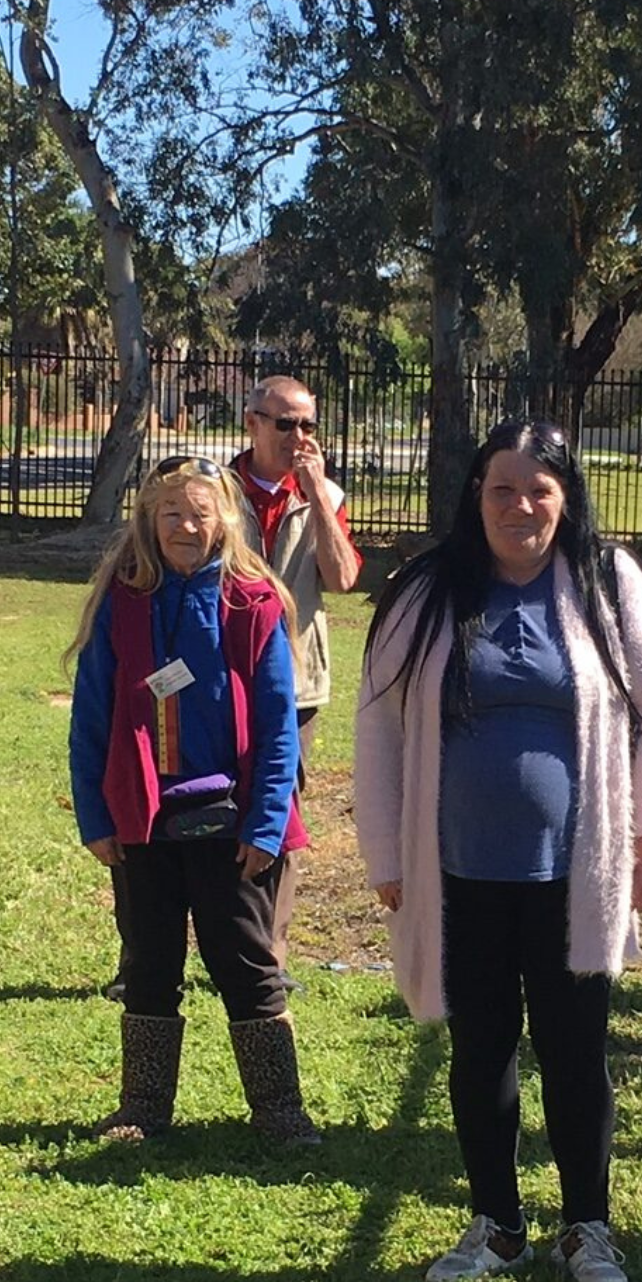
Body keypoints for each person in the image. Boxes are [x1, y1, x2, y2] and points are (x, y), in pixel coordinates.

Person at [355, 419, 642, 1282]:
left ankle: (587, 1229)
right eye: (502, 489)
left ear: (565, 499)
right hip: (456, 872)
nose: (521, 507)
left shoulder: (607, 580)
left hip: (577, 873)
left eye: (540, 490)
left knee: (576, 1050)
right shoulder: (428, 588)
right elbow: (379, 723)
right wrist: (386, 852)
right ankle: (498, 1226)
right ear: (477, 495)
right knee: (481, 1049)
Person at [68, 454, 318, 1144]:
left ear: (225, 521)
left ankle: (279, 1110)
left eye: (199, 513)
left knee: (247, 965)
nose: (184, 525)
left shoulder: (254, 603)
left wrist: (266, 824)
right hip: (144, 819)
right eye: (171, 512)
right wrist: (95, 814)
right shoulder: (123, 601)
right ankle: (143, 1108)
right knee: (149, 964)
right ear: (148, 519)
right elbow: (91, 716)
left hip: (231, 822)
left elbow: (278, 725)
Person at [231, 374, 362, 973]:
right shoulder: (216, 491)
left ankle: (269, 957)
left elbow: (343, 578)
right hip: (222, 678)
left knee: (280, 814)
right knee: (209, 807)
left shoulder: (325, 496)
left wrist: (316, 498)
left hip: (296, 683)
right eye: (285, 424)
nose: (299, 436)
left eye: (308, 425)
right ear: (252, 423)